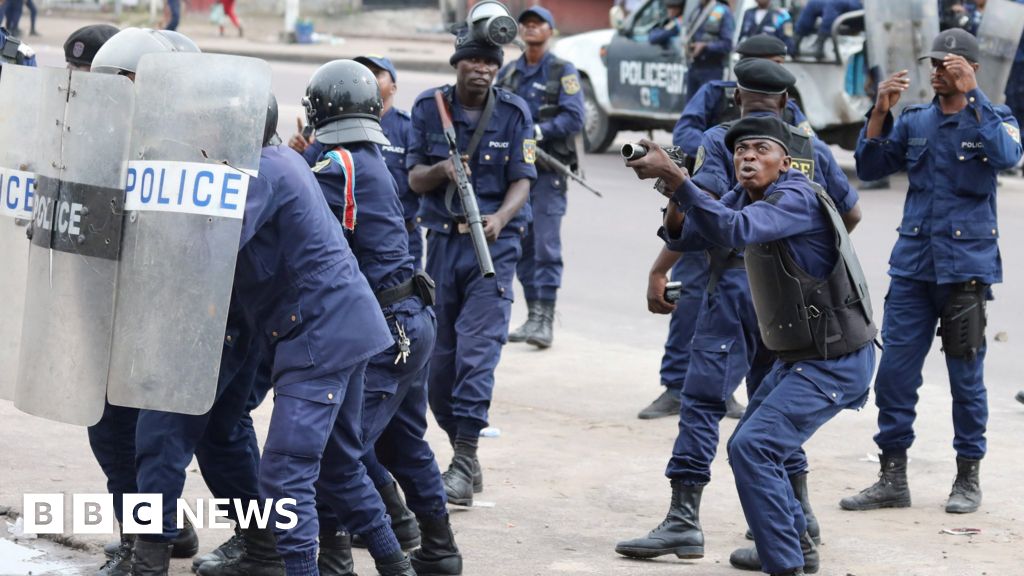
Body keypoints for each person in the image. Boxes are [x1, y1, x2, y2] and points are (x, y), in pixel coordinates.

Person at [615, 59, 860, 565]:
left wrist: (680, 185)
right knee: (766, 419)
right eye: (742, 150)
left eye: (759, 149)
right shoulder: (783, 161)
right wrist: (674, 189)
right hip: (784, 317)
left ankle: (693, 523)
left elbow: (733, 231)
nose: (748, 155)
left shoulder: (791, 188)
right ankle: (799, 531)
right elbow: (694, 231)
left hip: (768, 312)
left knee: (709, 404)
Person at [841, 28, 1021, 515]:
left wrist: (975, 97)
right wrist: (880, 111)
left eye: (949, 64)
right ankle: (892, 478)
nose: (938, 71)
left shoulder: (995, 118)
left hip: (965, 273)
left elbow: (1008, 158)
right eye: (935, 64)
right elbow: (872, 166)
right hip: (914, 270)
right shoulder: (915, 120)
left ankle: (967, 478)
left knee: (967, 381)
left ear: (972, 69)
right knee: (895, 377)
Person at [305, 59, 461, 576]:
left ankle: (337, 561)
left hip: (386, 330)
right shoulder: (369, 155)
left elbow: (290, 209)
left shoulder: (339, 165)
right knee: (402, 443)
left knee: (332, 453)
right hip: (410, 320)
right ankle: (438, 550)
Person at [641, 34, 808, 421]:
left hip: (757, 229)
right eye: (768, 62)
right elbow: (686, 134)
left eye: (779, 64)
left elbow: (803, 153)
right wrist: (724, 145)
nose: (776, 70)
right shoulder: (715, 103)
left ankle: (724, 390)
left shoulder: (792, 116)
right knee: (690, 301)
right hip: (710, 211)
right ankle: (675, 385)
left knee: (757, 325)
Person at [86, 28, 203, 576]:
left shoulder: (197, 148)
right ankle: (150, 532)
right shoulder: (103, 144)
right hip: (116, 313)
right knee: (108, 429)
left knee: (158, 440)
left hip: (170, 319)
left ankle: (154, 546)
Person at [407, 25, 536, 507]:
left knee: (476, 355)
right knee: (438, 365)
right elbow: (415, 178)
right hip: (442, 244)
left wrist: (501, 217)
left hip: (493, 250)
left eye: (491, 63)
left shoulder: (515, 111)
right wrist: (442, 170)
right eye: (473, 61)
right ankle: (465, 449)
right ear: (457, 64)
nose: (482, 69)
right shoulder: (428, 109)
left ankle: (463, 457)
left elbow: (524, 178)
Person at [498, 6, 585, 349]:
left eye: (539, 24)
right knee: (523, 247)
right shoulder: (509, 74)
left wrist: (536, 129)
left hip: (548, 173)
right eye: (527, 24)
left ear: (550, 31)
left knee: (546, 246)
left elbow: (574, 118)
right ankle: (533, 316)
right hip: (517, 174)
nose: (532, 29)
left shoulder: (563, 71)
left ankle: (546, 320)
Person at [289, 55, 422, 269]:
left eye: (377, 73)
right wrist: (293, 151)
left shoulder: (344, 160)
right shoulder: (362, 149)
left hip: (382, 279)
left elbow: (295, 195)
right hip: (377, 266)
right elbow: (303, 167)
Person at [684, 0, 734, 98]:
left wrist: (705, 46)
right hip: (694, 67)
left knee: (708, 108)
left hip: (712, 69)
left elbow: (727, 45)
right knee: (690, 109)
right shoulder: (696, 11)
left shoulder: (723, 11)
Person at [793, 0, 862, 60]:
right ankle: (795, 41)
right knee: (813, 3)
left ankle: (819, 44)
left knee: (834, 2)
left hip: (863, 6)